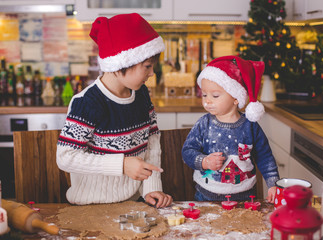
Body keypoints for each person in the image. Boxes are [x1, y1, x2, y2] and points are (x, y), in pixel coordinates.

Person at [56, 13, 172, 207]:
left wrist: (152, 187)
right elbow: (66, 157)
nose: (152, 73)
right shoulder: (87, 103)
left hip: (133, 203)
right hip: (91, 207)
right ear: (120, 65)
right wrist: (122, 165)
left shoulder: (141, 95)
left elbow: (151, 142)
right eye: (147, 66)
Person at [182, 55, 279, 203]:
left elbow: (265, 157)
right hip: (206, 197)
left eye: (215, 95)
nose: (207, 101)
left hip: (245, 197)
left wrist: (273, 184)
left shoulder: (250, 125)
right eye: (205, 95)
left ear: (236, 98)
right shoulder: (203, 124)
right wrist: (204, 162)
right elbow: (187, 151)